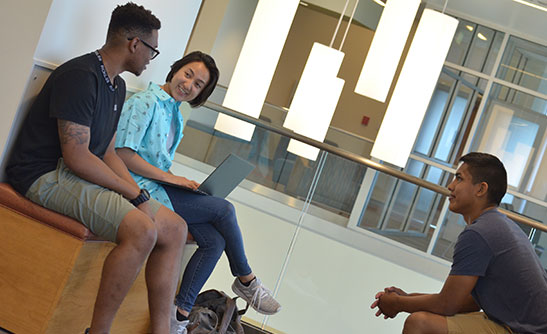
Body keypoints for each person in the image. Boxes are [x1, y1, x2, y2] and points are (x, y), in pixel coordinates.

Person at [5, 3, 188, 334]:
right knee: (141, 230)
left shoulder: (116, 85)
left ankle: (162, 330)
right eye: (152, 50)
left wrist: (138, 193)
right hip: (43, 174)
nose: (151, 59)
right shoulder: (80, 76)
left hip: (73, 172)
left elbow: (106, 151)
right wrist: (133, 194)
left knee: (174, 228)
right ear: (134, 43)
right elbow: (76, 155)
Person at [114, 51, 281, 334]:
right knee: (224, 209)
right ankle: (247, 280)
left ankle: (178, 316)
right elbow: (122, 154)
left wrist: (173, 181)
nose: (189, 85)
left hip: (159, 186)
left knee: (214, 240)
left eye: (198, 84)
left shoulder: (174, 111)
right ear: (176, 70)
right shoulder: (145, 102)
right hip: (136, 188)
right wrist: (171, 178)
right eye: (188, 74)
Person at [370, 152, 547, 334]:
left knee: (419, 323)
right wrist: (407, 298)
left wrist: (398, 304)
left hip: (524, 331)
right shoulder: (497, 224)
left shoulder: (479, 233)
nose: (450, 186)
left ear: (481, 189)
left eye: (459, 179)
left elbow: (448, 304)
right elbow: (467, 302)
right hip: (521, 325)